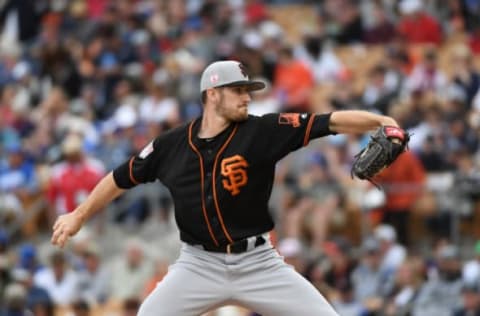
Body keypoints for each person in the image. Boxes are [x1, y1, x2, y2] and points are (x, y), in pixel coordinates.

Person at [51, 60, 403, 316]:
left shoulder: (262, 130)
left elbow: (328, 122)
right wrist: (78, 215)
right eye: (238, 91)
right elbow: (119, 178)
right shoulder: (171, 145)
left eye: (248, 91)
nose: (247, 98)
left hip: (259, 263)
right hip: (197, 265)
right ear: (213, 94)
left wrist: (381, 121)